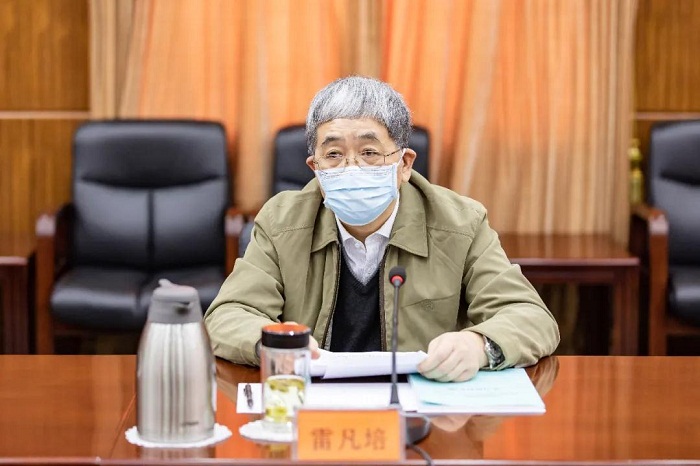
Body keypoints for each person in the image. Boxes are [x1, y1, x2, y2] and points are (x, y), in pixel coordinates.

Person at [204, 76, 559, 382]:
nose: (351, 167)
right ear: (315, 167)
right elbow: (227, 315)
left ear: (404, 164)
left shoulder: (460, 223)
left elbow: (530, 317)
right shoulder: (281, 221)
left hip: (420, 407)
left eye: (370, 152)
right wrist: (271, 341)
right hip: (315, 405)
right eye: (334, 154)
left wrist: (478, 345)